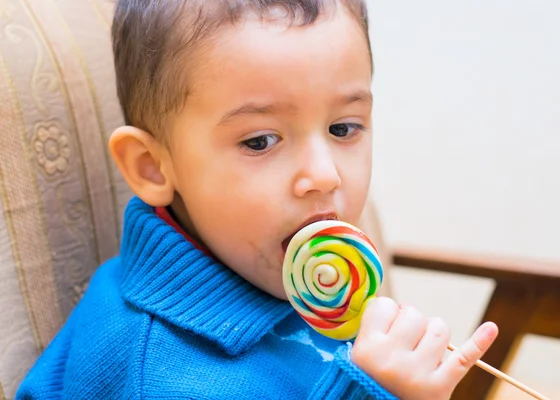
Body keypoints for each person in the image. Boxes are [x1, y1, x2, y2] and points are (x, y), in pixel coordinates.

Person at [17, 1, 498, 399]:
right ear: (152, 166)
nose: (324, 175)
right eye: (261, 141)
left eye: (343, 128)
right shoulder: (152, 372)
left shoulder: (282, 272)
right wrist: (371, 391)